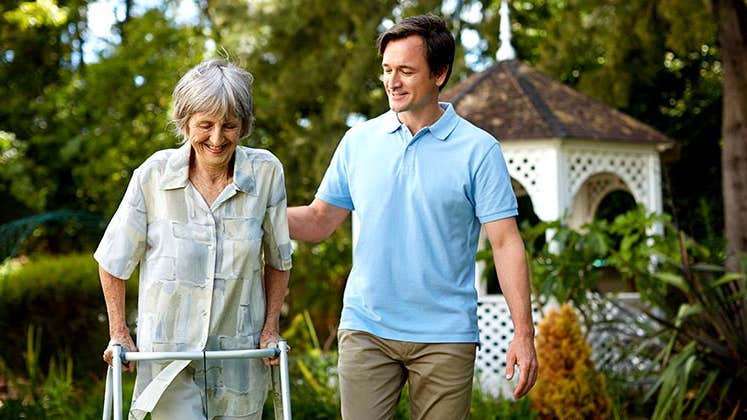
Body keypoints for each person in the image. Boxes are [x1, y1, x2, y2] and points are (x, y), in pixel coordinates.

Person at [288, 14, 538, 420]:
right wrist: (258, 213)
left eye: (406, 71)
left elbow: (506, 243)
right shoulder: (359, 141)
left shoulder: (478, 150)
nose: (392, 81)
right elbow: (319, 220)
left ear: (439, 74)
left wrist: (523, 334)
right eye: (387, 70)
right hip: (367, 328)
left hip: (445, 336)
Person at [96, 59, 292, 420]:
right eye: (205, 125)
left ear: (243, 126)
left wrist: (270, 330)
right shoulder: (153, 175)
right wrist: (119, 332)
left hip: (238, 357)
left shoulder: (265, 173)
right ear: (185, 123)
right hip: (168, 361)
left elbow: (279, 260)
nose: (217, 139)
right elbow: (113, 259)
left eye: (229, 125)